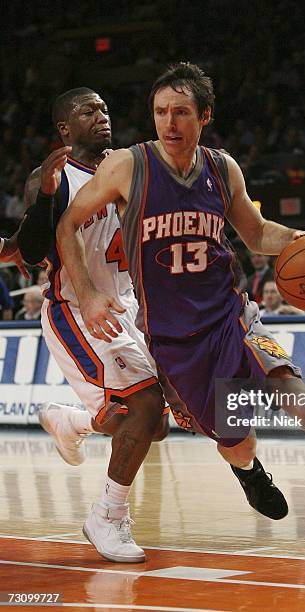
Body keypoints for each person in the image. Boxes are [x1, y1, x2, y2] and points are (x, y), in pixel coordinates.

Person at [57, 62, 305, 552]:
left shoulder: (222, 168)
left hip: (230, 318)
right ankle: (249, 471)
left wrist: (301, 238)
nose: (169, 123)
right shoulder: (129, 166)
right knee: (234, 439)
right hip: (175, 341)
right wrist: (88, 292)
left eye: (180, 112)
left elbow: (257, 233)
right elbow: (68, 223)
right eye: (160, 112)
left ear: (204, 116)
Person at [22, 88, 171, 564]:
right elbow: (29, 249)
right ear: (65, 128)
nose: (101, 115)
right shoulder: (51, 177)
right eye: (88, 111)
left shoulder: (128, 168)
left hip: (126, 306)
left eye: (105, 108)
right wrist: (44, 198)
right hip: (75, 307)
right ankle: (106, 516)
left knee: (155, 424)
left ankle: (73, 421)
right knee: (143, 404)